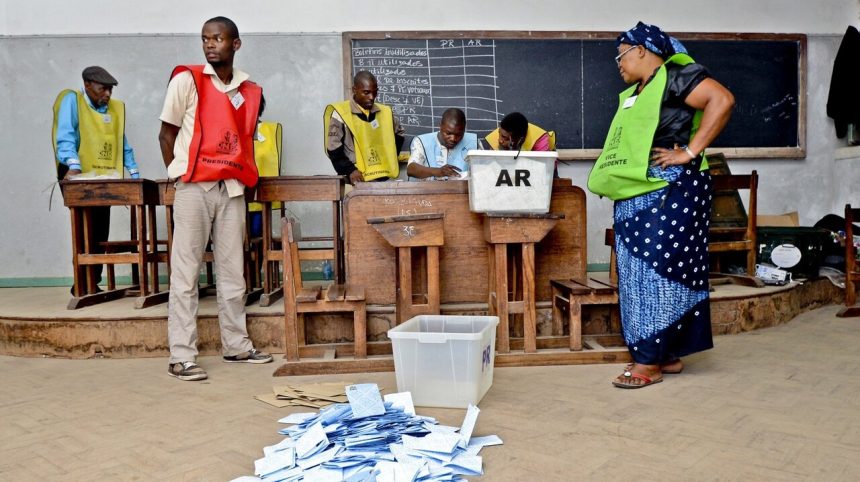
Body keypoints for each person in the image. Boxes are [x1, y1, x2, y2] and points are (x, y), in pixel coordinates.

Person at [587, 22, 735, 389]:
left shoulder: (676, 75)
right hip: (639, 193)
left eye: (620, 55)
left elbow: (723, 100)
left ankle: (648, 362)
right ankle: (666, 354)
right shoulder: (640, 89)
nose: (617, 63)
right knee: (637, 274)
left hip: (671, 193)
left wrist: (689, 151)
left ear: (641, 50)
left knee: (659, 272)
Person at [158, 16, 272, 381]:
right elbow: (166, 133)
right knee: (185, 272)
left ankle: (236, 346)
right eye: (205, 39)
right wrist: (180, 175)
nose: (210, 45)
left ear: (235, 44)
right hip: (194, 188)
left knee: (232, 272)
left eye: (219, 39)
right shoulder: (187, 80)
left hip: (232, 189)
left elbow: (246, 138)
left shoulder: (249, 89)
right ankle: (181, 355)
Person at [52, 66, 140, 294]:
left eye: (110, 89)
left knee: (100, 229)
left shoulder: (113, 109)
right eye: (103, 89)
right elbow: (66, 134)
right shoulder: (73, 101)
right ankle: (81, 283)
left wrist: (134, 174)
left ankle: (93, 281)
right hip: (78, 176)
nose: (108, 94)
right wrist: (73, 166)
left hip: (104, 177)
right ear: (88, 84)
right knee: (83, 228)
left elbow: (122, 142)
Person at [324, 71, 405, 184]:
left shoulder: (385, 112)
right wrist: (350, 170)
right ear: (354, 90)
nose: (371, 97)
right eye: (366, 92)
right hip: (355, 179)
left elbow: (399, 134)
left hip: (383, 177)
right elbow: (333, 148)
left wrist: (390, 158)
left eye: (375, 92)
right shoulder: (340, 113)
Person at [406, 108, 477, 180]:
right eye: (448, 133)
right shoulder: (421, 142)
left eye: (459, 135)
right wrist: (438, 171)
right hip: (429, 189)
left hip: (463, 190)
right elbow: (411, 169)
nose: (453, 138)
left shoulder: (473, 142)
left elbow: (483, 171)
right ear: (440, 126)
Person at [483, 112, 554, 152]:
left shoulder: (540, 140)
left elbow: (544, 170)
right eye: (500, 134)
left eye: (506, 138)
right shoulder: (503, 131)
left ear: (520, 139)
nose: (500, 140)